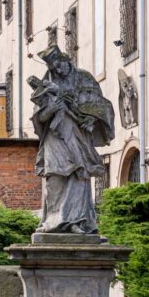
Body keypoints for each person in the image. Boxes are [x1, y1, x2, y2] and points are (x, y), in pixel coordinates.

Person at [29, 45, 115, 234]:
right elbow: (39, 118)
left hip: (77, 135)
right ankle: (53, 221)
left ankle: (77, 221)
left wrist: (92, 119)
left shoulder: (84, 79)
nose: (58, 71)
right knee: (55, 176)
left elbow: (102, 106)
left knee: (78, 175)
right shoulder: (47, 83)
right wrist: (51, 109)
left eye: (60, 66)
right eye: (54, 69)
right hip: (54, 136)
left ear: (67, 60)